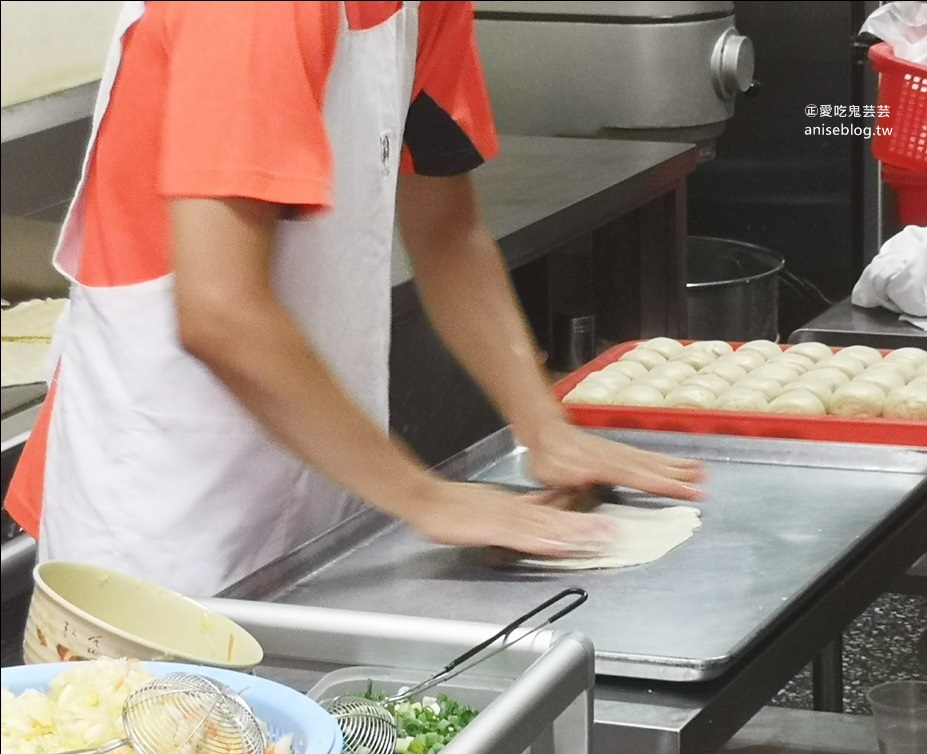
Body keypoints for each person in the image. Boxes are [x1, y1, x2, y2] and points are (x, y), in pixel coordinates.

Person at [5, 1, 704, 597]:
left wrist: (541, 426)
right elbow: (220, 311)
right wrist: (425, 499)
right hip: (161, 530)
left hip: (319, 502)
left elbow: (448, 229)